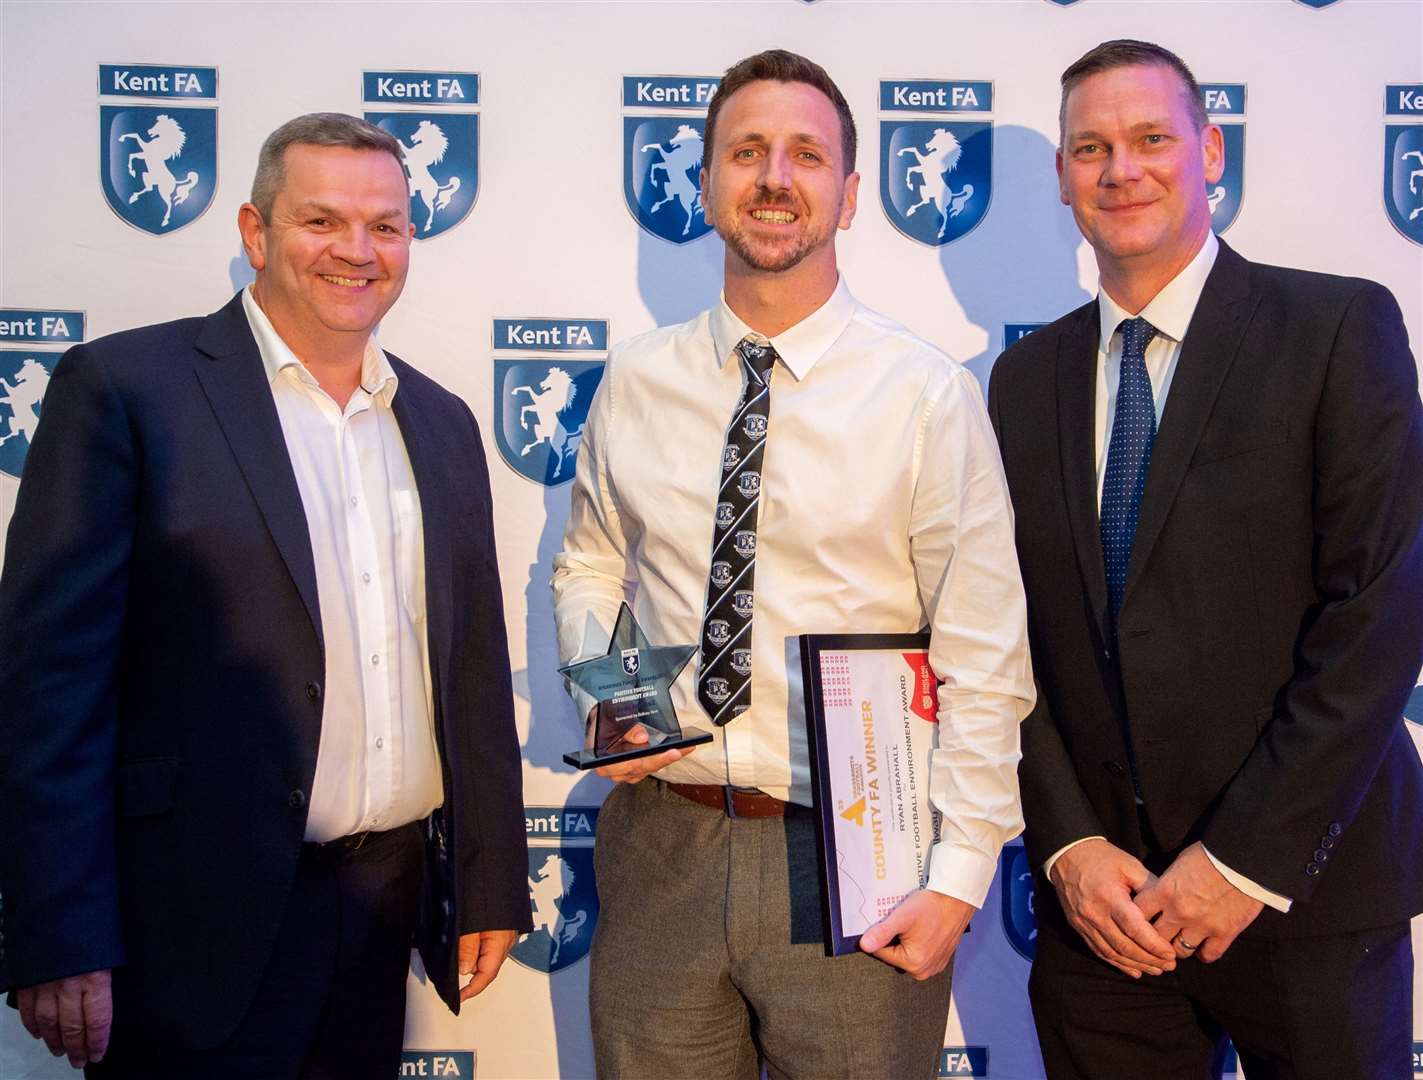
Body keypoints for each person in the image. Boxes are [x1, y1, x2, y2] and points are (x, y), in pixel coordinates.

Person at [0, 113, 531, 1078]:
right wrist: (58, 932)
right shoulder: (127, 389)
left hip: (382, 908)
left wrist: (490, 879)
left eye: (385, 226)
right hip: (187, 924)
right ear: (255, 232)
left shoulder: (443, 423)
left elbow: (466, 668)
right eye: (321, 221)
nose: (356, 252)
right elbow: (47, 691)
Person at [552, 49, 1033, 1078]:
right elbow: (591, 563)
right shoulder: (636, 381)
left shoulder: (924, 396)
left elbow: (985, 652)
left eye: (806, 155)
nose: (775, 178)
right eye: (747, 152)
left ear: (850, 194)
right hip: (662, 843)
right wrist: (618, 698)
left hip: (858, 853)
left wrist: (957, 874)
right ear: (708, 183)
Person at [988, 39, 1423, 1080]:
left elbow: (1378, 613)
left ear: (1209, 150)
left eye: (1149, 139)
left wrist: (1242, 862)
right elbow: (1004, 637)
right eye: (1088, 147)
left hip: (1304, 896)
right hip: (1104, 918)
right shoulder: (1022, 378)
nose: (1118, 170)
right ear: (1060, 176)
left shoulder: (1334, 325)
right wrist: (1067, 847)